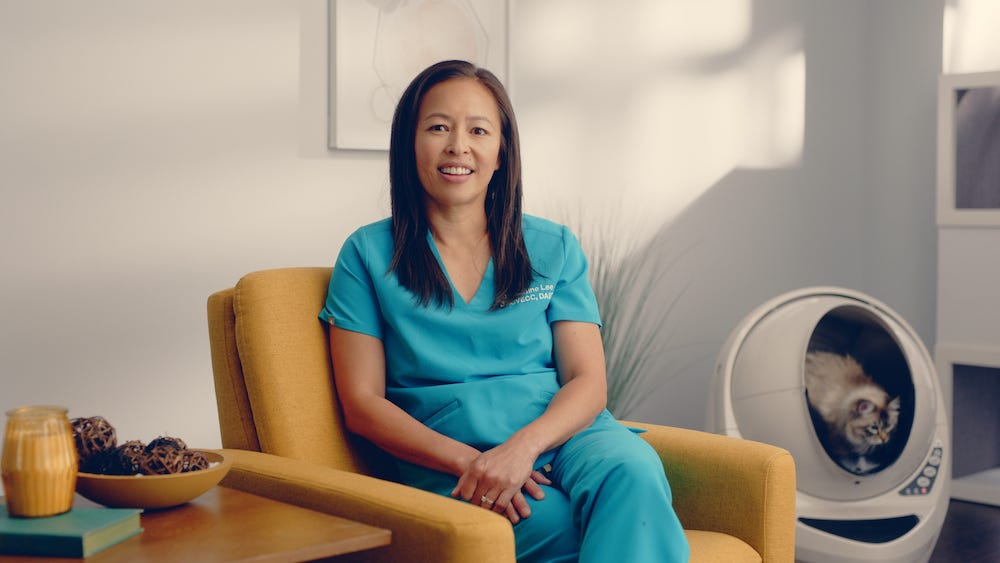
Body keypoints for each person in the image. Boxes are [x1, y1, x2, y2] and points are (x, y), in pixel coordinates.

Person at [320, 59, 689, 562]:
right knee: (565, 526)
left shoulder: (553, 245)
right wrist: (476, 464)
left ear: (501, 151)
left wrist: (522, 450)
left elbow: (587, 380)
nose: (458, 146)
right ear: (409, 145)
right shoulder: (366, 254)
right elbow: (363, 405)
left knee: (634, 473)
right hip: (451, 454)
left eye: (478, 129)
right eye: (438, 128)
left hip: (563, 434)